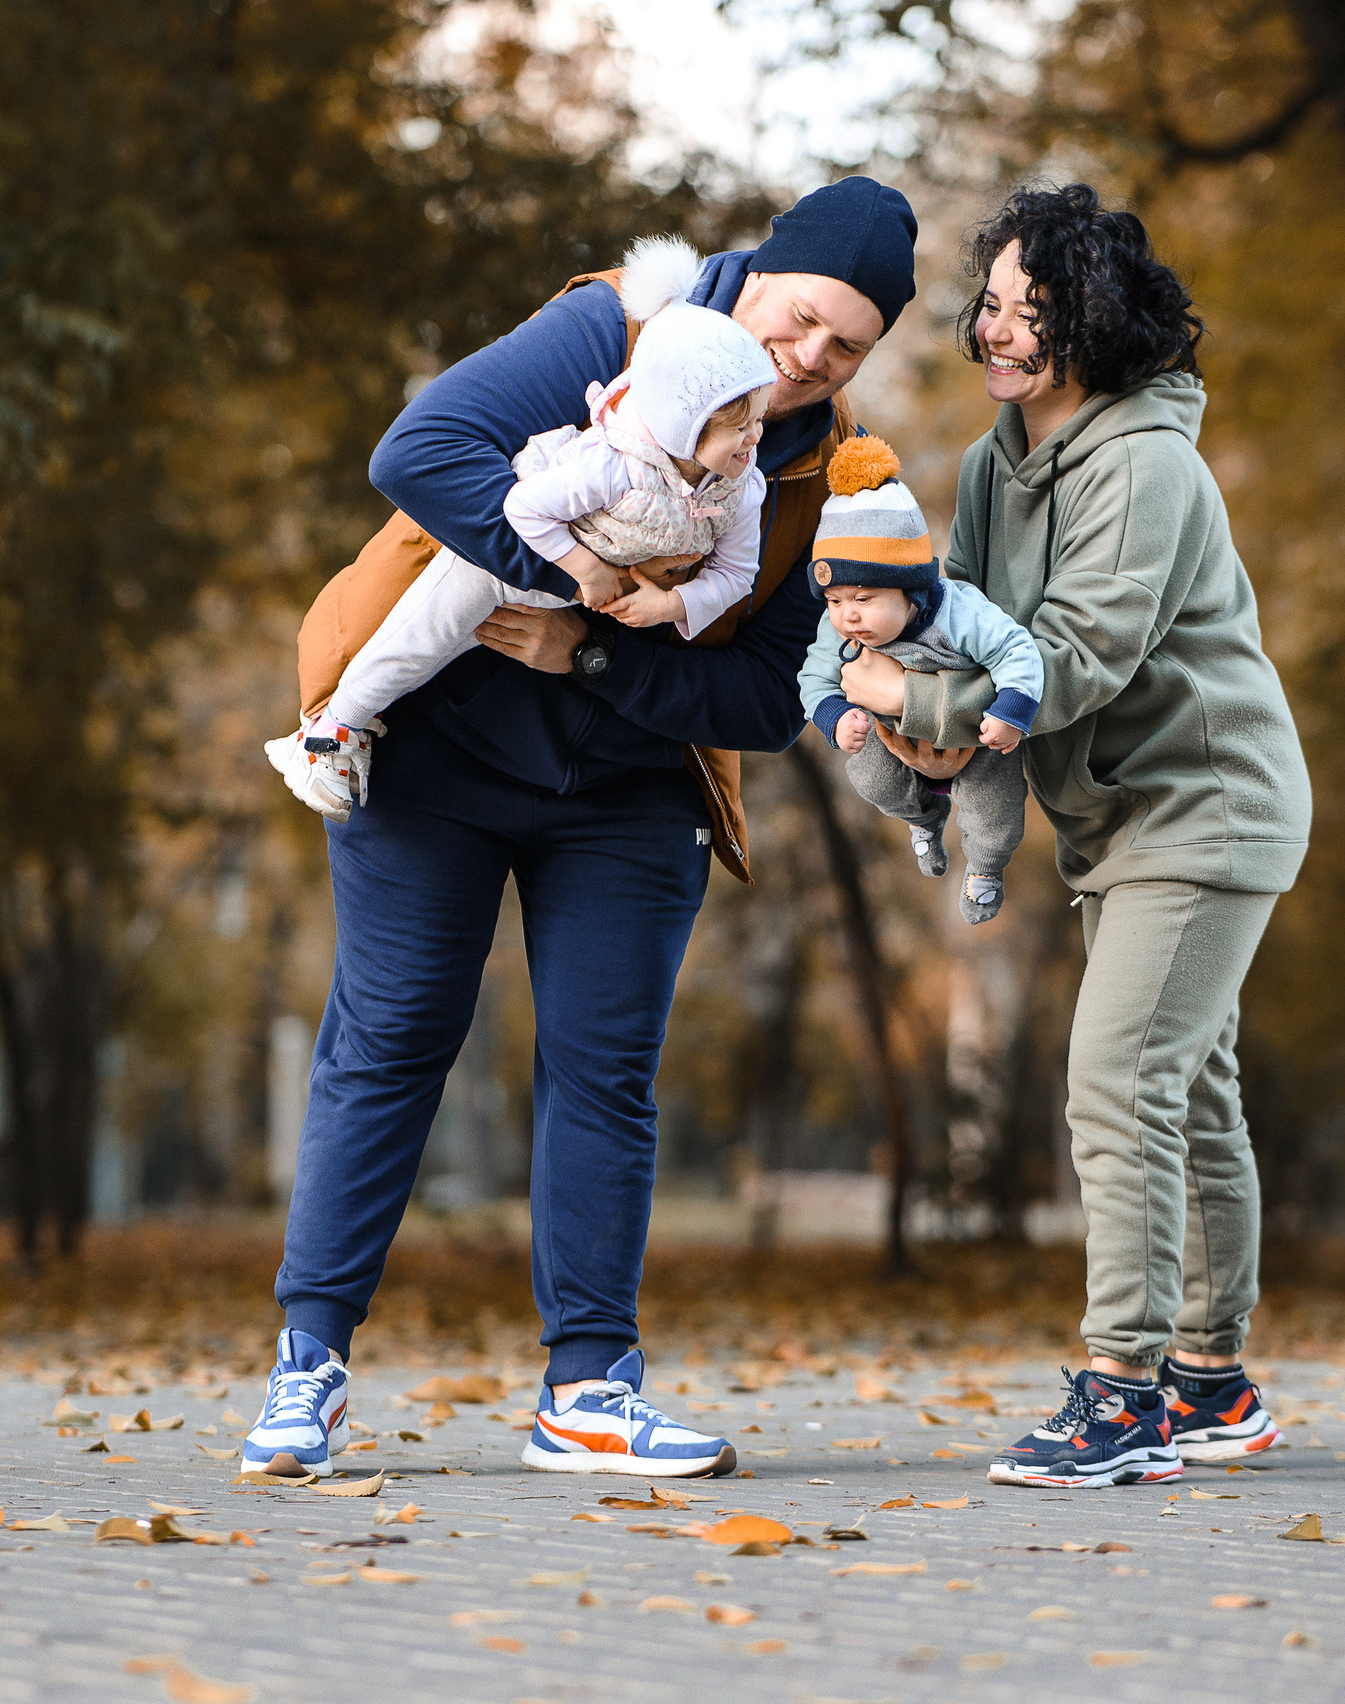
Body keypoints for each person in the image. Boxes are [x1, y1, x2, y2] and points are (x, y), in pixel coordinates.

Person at [242, 176, 919, 1480]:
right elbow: (418, 455)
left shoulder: (822, 467)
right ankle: (307, 1366)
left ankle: (589, 1390)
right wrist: (572, 573)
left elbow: (768, 694)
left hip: (629, 788)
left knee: (604, 1070)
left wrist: (590, 654)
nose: (808, 358)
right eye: (798, 319)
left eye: (847, 347)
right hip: (436, 746)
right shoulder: (614, 327)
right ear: (755, 275)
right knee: (392, 1038)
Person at [837, 182, 1312, 1489]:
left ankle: (1124, 1395)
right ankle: (1211, 1385)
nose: (993, 330)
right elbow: (968, 627)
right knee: (1188, 1094)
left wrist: (914, 706)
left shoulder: (1147, 464)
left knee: (1117, 1084)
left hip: (1206, 806)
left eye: (1027, 310)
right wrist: (912, 722)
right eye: (988, 304)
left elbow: (1079, 656)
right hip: (1120, 819)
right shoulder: (1000, 464)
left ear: (1092, 320)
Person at [265, 241, 779, 821]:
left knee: (440, 653)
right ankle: (326, 738)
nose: (755, 439)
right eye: (739, 427)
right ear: (682, 425)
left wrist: (672, 605)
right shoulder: (612, 467)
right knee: (418, 643)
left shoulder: (740, 489)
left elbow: (738, 572)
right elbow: (524, 509)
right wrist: (584, 571)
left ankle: (335, 732)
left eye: (759, 419)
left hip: (553, 600)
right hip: (497, 563)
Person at [794, 435, 1044, 923]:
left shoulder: (958, 614)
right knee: (869, 775)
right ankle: (923, 818)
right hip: (892, 735)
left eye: (862, 599)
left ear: (909, 587)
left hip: (972, 734)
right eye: (834, 600)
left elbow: (1015, 648)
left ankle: (986, 868)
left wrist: (1011, 709)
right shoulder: (837, 629)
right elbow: (814, 678)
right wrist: (835, 717)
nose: (846, 616)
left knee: (994, 804)